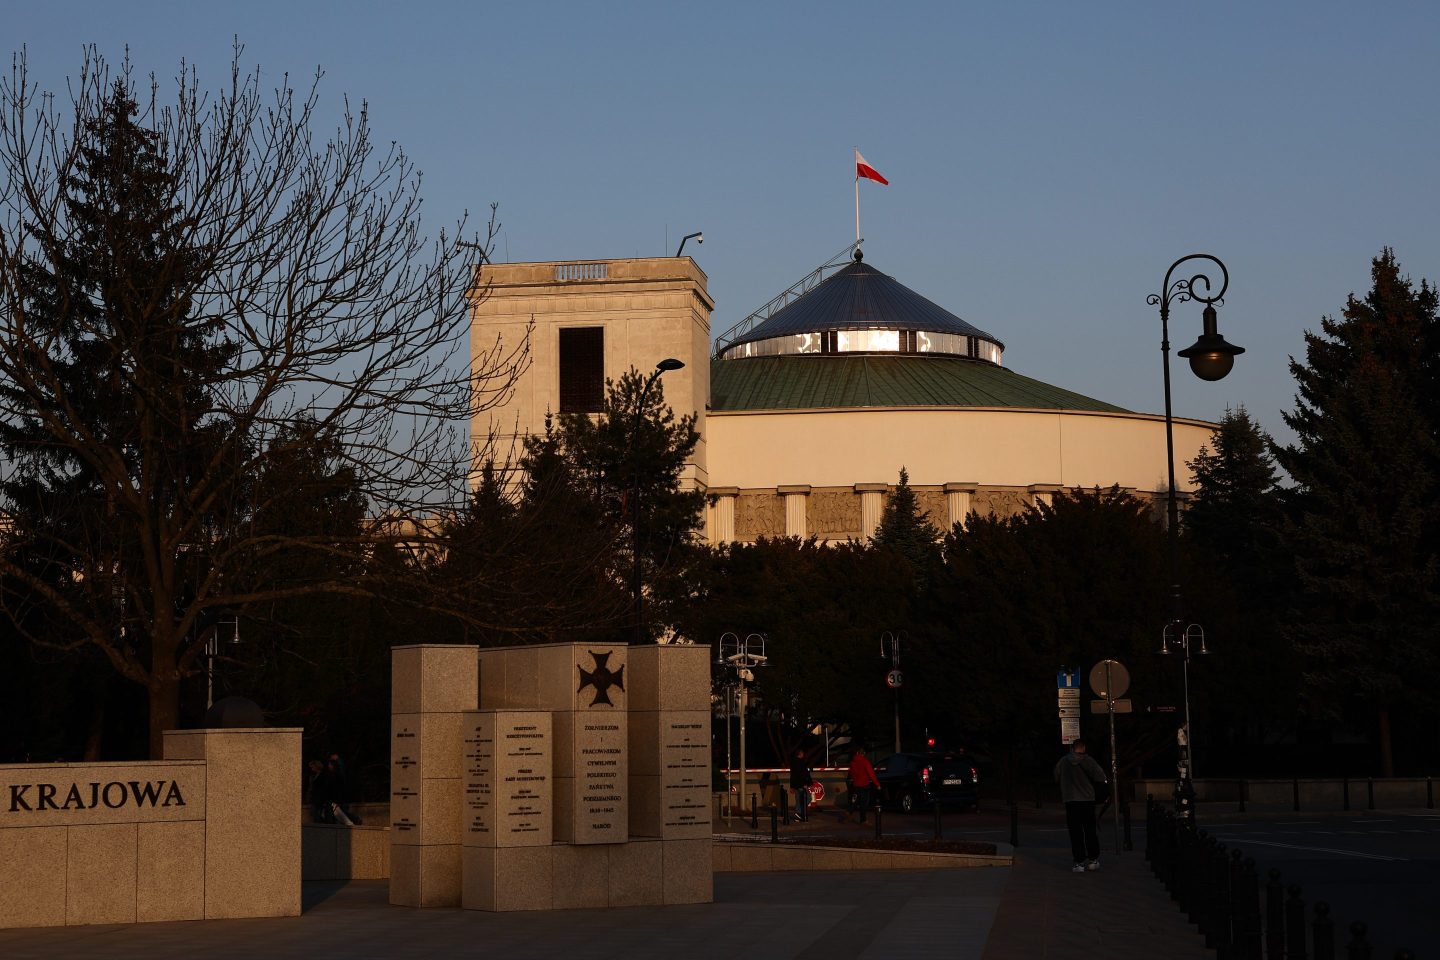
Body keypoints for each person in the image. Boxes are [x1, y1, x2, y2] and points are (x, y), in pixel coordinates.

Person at [1053, 738, 1108, 872]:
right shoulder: (1088, 761)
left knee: (1075, 832)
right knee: (1090, 830)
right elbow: (1101, 776)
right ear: (1083, 748)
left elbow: (1056, 776)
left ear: (1072, 748)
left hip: (1071, 800)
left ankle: (1078, 862)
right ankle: (1093, 860)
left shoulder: (1063, 761)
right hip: (1087, 800)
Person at [845, 745, 880, 824]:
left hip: (856, 785)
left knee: (856, 800)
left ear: (857, 753)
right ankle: (863, 819)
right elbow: (871, 774)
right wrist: (877, 784)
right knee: (864, 803)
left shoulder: (853, 762)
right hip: (864, 785)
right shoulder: (865, 762)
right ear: (864, 754)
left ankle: (849, 811)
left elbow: (851, 773)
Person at [789, 748, 812, 823]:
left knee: (798, 799)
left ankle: (798, 815)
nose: (804, 755)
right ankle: (800, 813)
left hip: (796, 784)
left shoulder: (793, 762)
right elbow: (803, 774)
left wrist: (792, 786)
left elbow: (793, 775)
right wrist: (805, 783)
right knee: (807, 798)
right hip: (801, 784)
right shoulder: (801, 762)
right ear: (800, 754)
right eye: (802, 753)